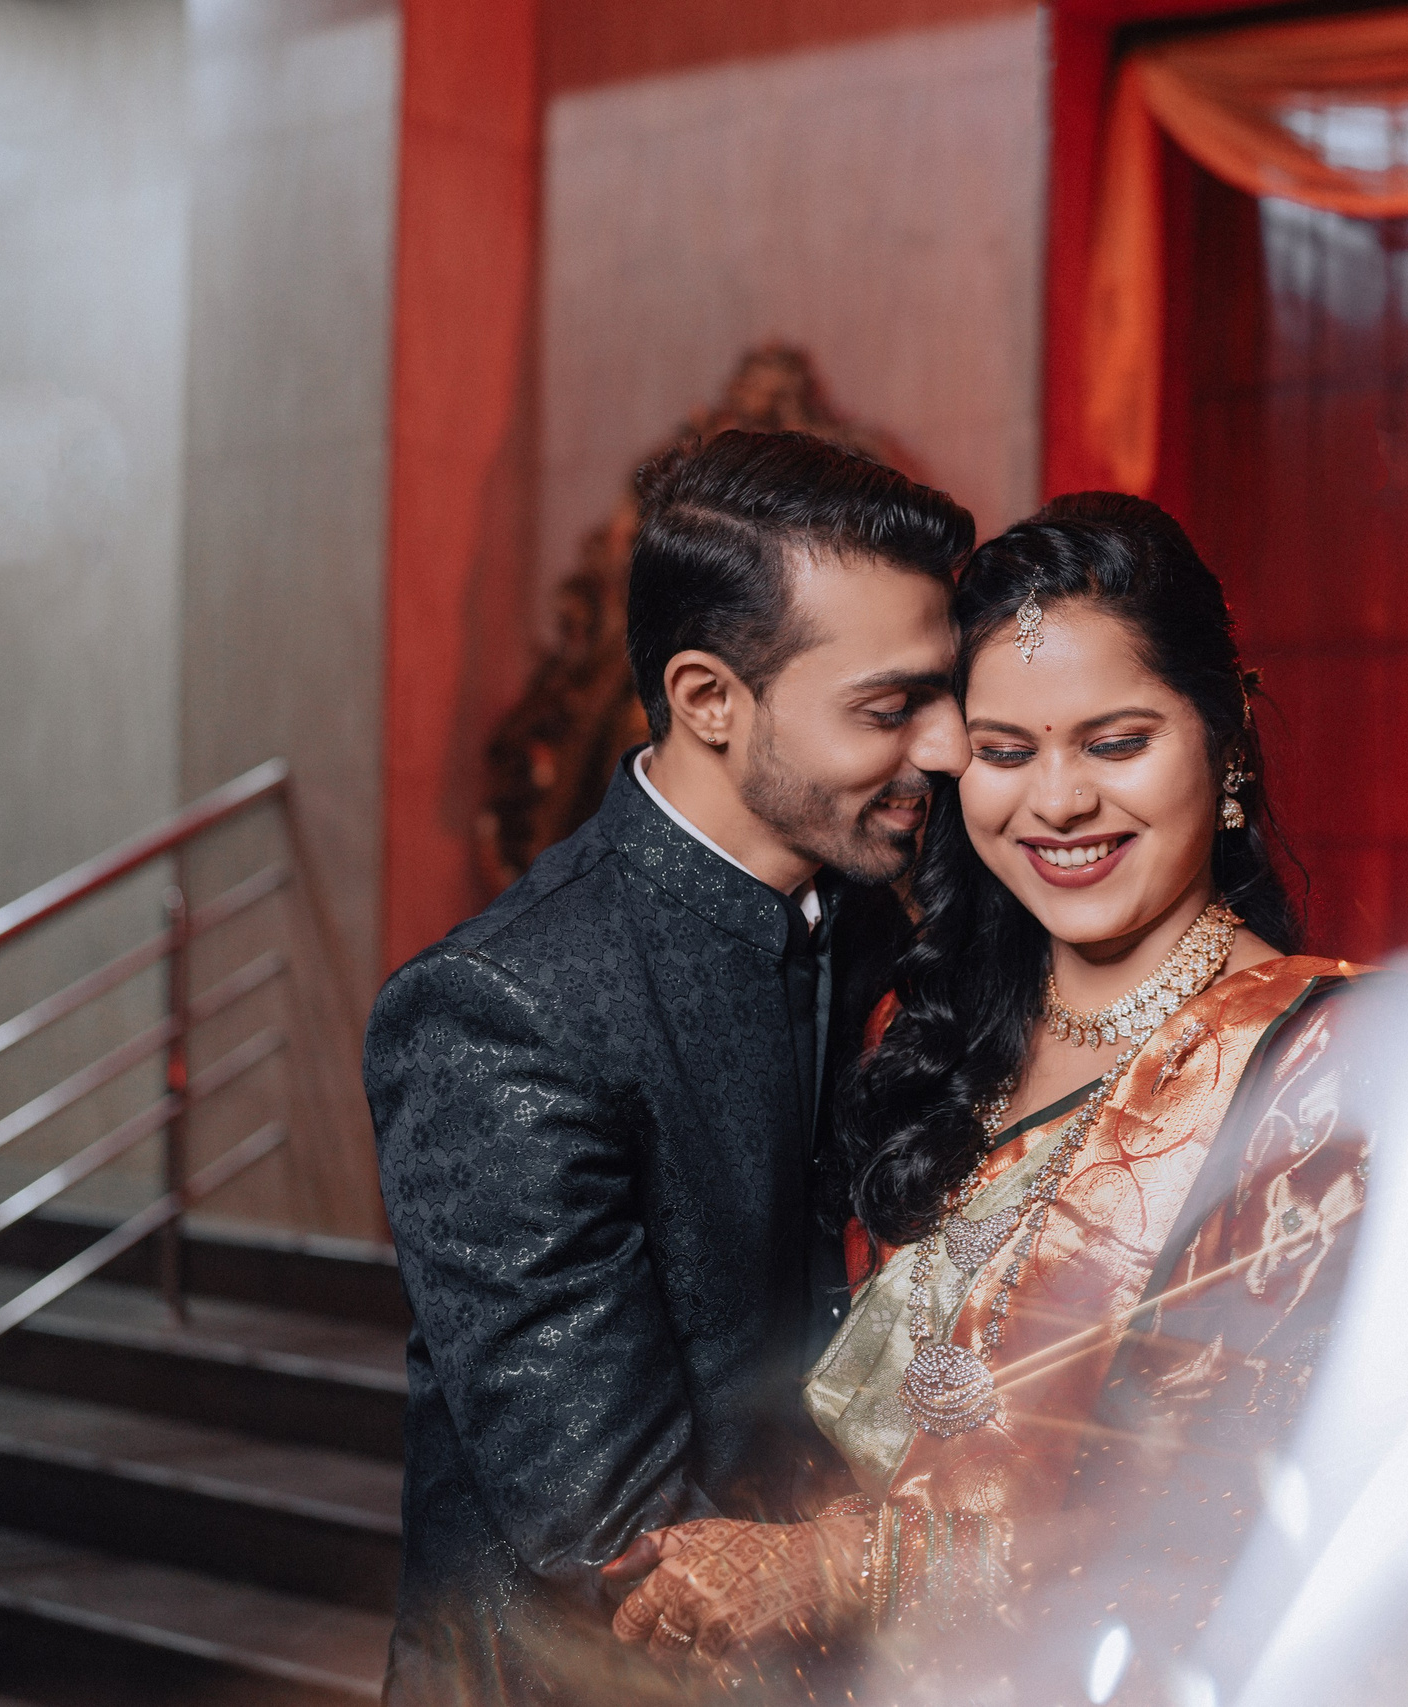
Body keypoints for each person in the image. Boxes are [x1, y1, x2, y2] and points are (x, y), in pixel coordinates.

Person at [602, 494, 1370, 1687]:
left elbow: (1248, 1502)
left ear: (1223, 743)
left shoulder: (1319, 1068)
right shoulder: (926, 1031)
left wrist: (833, 1570)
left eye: (1116, 743)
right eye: (1004, 753)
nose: (1055, 803)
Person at [363, 431, 972, 1704]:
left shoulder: (874, 925)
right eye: (889, 706)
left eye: (946, 693)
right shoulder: (497, 1008)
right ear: (708, 699)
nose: (948, 748)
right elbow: (624, 1547)